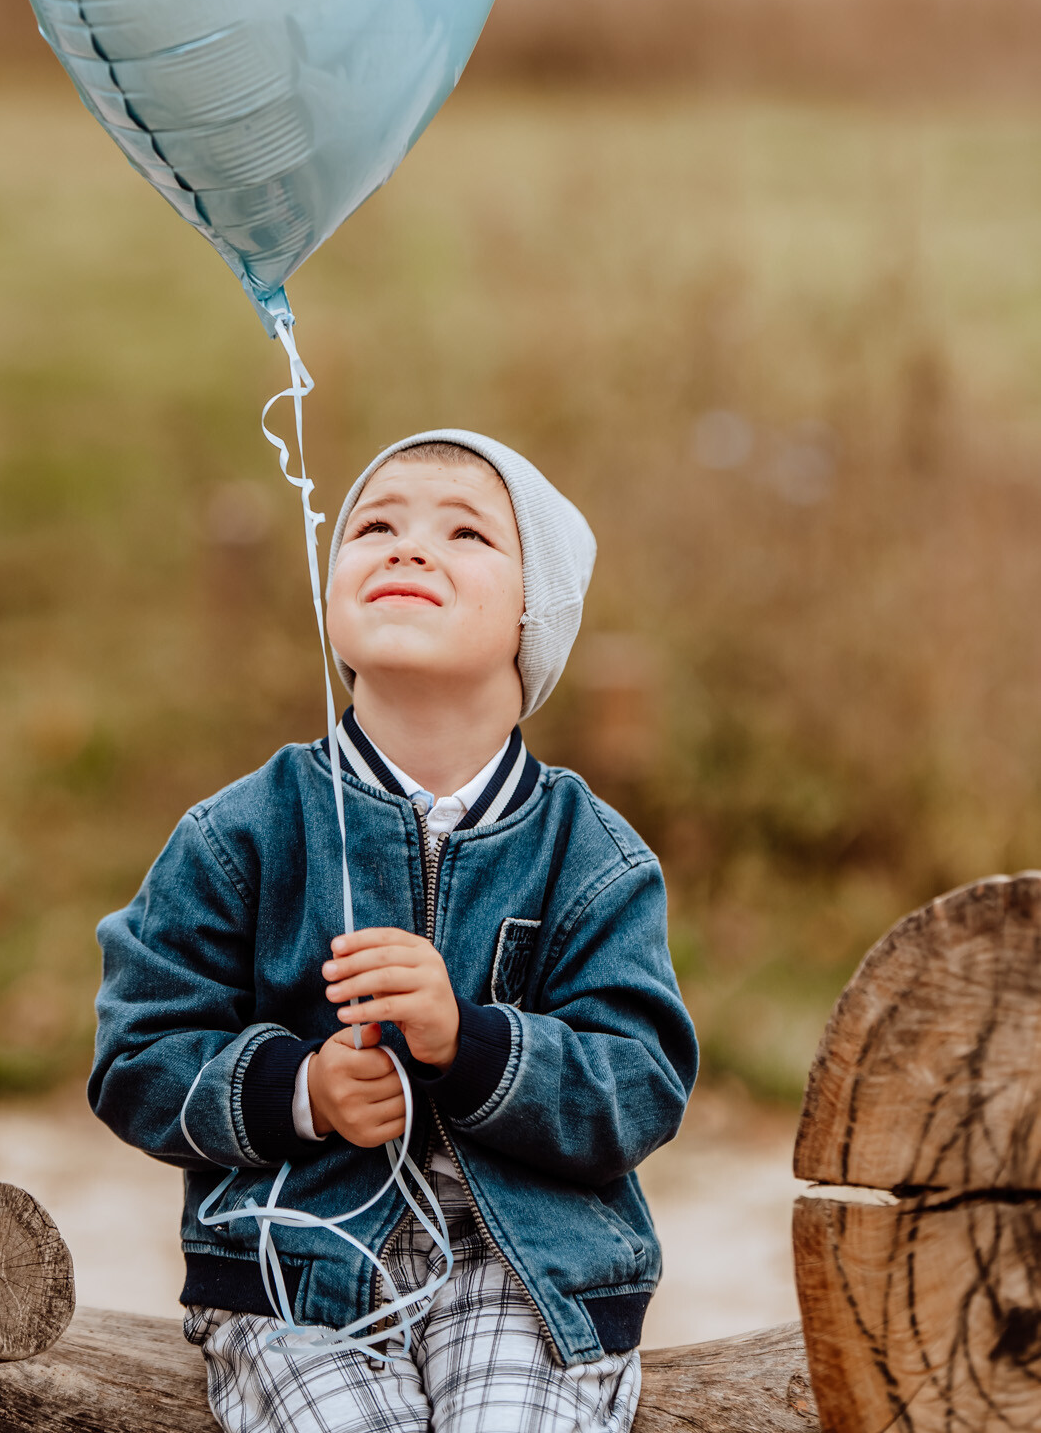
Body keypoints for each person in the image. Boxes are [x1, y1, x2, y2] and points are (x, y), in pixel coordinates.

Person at [90, 430, 698, 1433]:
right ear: (331, 597)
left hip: (527, 1271)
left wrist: (470, 1040)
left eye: (465, 533)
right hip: (297, 1273)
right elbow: (137, 1056)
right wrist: (301, 1089)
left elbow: (639, 1085)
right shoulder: (241, 833)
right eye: (374, 526)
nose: (408, 547)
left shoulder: (591, 856)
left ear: (533, 617)